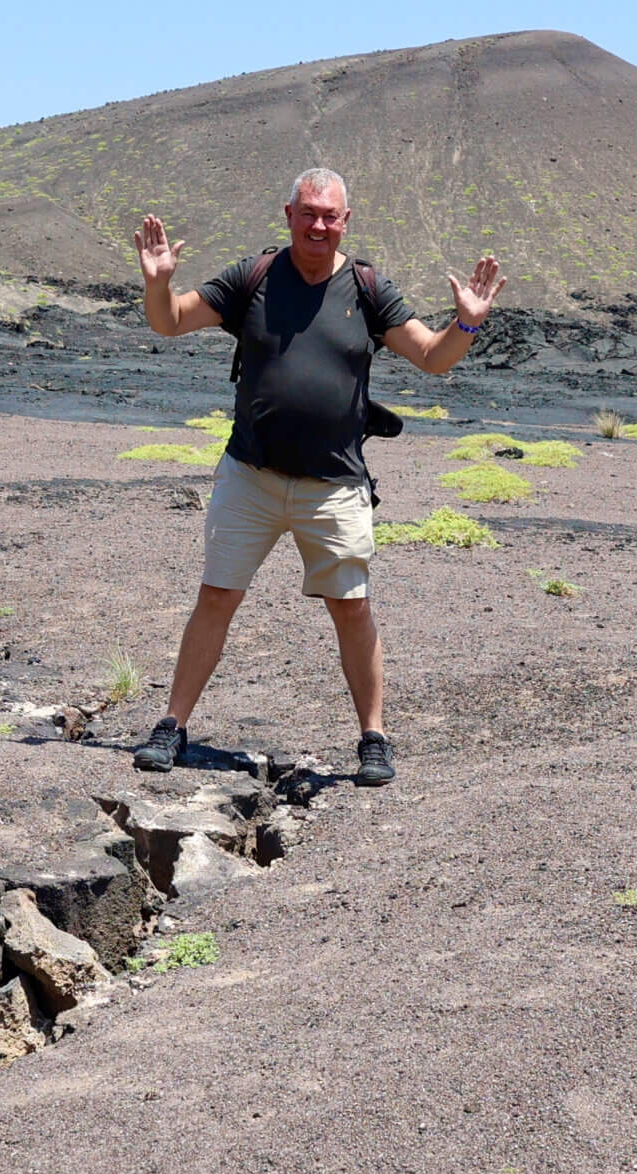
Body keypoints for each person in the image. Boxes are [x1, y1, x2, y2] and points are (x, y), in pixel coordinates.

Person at [129, 168, 503, 786]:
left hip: (335, 484)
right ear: (289, 214)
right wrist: (158, 282)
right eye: (309, 213)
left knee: (351, 608)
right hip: (249, 476)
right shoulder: (252, 277)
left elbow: (433, 359)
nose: (319, 225)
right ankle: (171, 726)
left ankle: (374, 738)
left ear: (346, 221)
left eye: (331, 215)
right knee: (216, 597)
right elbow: (168, 322)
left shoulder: (367, 288)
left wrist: (465, 323)